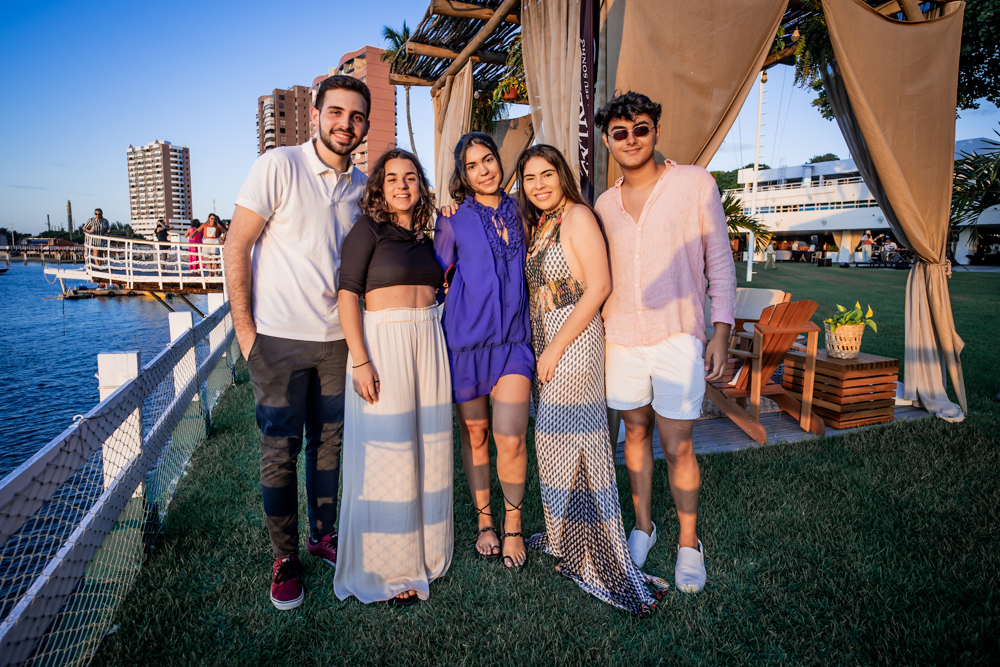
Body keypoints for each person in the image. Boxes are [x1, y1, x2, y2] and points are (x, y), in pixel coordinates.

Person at [224, 75, 371, 611]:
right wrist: (247, 335)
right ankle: (285, 557)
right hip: (278, 341)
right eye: (336, 113)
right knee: (280, 452)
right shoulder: (278, 165)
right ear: (316, 114)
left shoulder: (363, 186)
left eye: (356, 117)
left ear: (365, 127)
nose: (345, 124)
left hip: (338, 342)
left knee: (330, 448)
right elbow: (236, 247)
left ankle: (324, 534)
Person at [595, 91, 736, 594]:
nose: (631, 139)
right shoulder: (603, 205)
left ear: (655, 130)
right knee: (633, 437)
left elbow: (718, 260)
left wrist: (721, 330)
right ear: (608, 139)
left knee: (677, 445)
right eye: (620, 131)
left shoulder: (694, 184)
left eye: (641, 128)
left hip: (679, 336)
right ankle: (644, 527)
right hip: (623, 339)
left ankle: (689, 543)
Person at [516, 144, 663, 614]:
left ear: (562, 176)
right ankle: (567, 536)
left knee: (578, 444)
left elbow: (599, 286)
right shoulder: (543, 224)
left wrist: (555, 347)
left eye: (546, 174)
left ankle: (595, 551)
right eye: (529, 177)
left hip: (573, 346)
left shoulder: (577, 217)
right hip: (550, 345)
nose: (538, 184)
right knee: (556, 444)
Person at [334, 149, 452, 607]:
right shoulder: (367, 230)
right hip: (383, 344)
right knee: (390, 449)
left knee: (431, 446)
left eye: (410, 178)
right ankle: (389, 565)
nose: (402, 185)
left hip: (429, 339)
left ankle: (427, 551)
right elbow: (347, 295)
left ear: (420, 184)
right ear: (379, 188)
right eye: (392, 179)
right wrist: (360, 361)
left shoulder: (426, 236)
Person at [434, 133, 533, 568]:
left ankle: (514, 526)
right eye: (472, 165)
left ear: (499, 161)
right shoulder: (452, 220)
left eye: (488, 160)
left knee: (509, 437)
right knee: (475, 435)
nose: (484, 170)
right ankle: (485, 522)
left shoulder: (524, 209)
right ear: (463, 175)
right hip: (465, 344)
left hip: (514, 342)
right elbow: (432, 275)